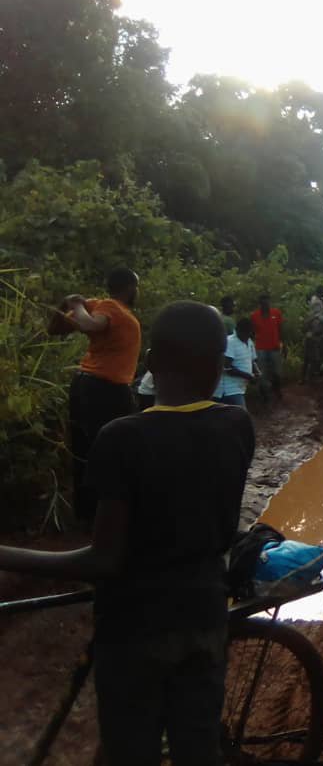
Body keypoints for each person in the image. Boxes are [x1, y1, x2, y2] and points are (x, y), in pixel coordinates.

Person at [1, 301, 255, 765]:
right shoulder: (237, 424)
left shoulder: (122, 438)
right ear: (221, 364)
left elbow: (105, 561)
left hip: (136, 629)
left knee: (130, 749)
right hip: (204, 616)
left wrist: (9, 556)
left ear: (152, 362)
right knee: (197, 749)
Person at [47, 267, 141, 521]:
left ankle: (88, 515)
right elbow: (89, 324)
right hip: (105, 390)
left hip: (87, 386)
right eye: (137, 287)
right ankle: (104, 516)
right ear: (131, 287)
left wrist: (69, 304)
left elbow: (54, 328)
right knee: (109, 451)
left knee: (85, 450)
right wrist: (75, 304)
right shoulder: (111, 307)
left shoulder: (98, 305)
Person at [214, 317, 260, 408]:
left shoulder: (249, 342)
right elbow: (227, 367)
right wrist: (248, 376)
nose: (246, 335)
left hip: (240, 387)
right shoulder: (230, 342)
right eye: (243, 333)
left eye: (248, 333)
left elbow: (252, 360)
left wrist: (257, 372)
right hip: (229, 389)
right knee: (242, 417)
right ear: (238, 330)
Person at [250, 293, 284, 401]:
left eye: (267, 302)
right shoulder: (254, 316)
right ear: (260, 304)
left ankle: (277, 390)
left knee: (277, 372)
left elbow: (280, 329)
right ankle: (264, 396)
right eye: (263, 303)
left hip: (275, 347)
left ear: (270, 302)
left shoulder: (276, 313)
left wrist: (284, 344)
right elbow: (251, 332)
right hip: (260, 348)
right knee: (262, 374)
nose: (266, 305)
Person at [302, 305, 323, 384]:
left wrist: (319, 339)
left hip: (315, 341)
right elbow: (305, 327)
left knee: (315, 360)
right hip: (308, 340)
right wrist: (313, 318)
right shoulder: (310, 318)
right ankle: (303, 378)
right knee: (306, 360)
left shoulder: (321, 319)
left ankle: (311, 378)